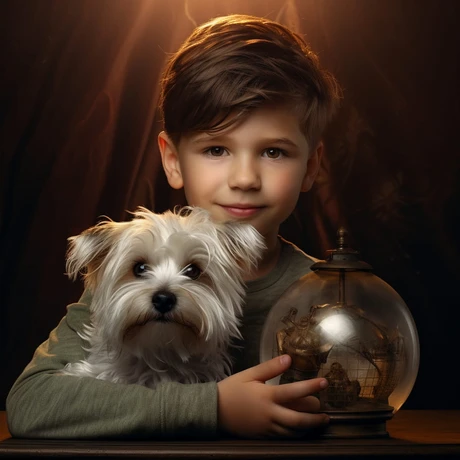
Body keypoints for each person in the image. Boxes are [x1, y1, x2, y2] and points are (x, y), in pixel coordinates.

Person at [6, 13, 341, 439]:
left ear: (312, 167)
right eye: (216, 149)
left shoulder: (327, 295)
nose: (244, 178)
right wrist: (211, 407)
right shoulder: (114, 279)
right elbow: (30, 405)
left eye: (273, 152)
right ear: (172, 160)